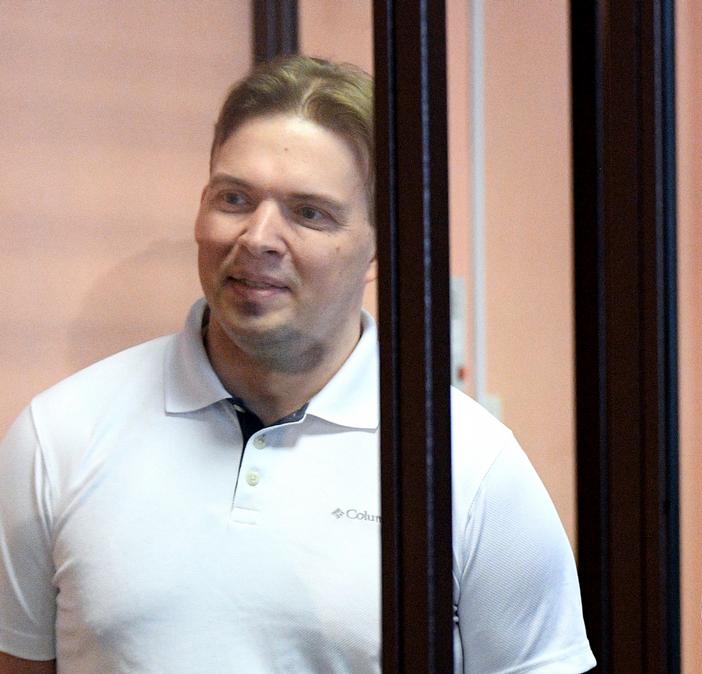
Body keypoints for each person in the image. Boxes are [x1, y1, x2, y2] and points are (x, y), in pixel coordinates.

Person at [0, 55, 595, 674]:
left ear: (380, 247)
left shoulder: (470, 466)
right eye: (234, 198)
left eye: (309, 212)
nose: (258, 238)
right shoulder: (59, 436)